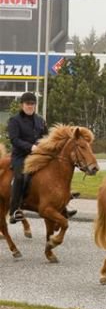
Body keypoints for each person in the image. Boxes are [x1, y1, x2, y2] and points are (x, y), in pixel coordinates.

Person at [7, 92, 49, 223]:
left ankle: (63, 203)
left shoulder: (40, 120)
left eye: (32, 104)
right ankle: (14, 211)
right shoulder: (14, 120)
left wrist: (42, 145)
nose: (30, 106)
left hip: (38, 155)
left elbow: (46, 137)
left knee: (56, 170)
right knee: (20, 177)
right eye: (27, 104)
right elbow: (14, 140)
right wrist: (30, 147)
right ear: (22, 105)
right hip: (21, 156)